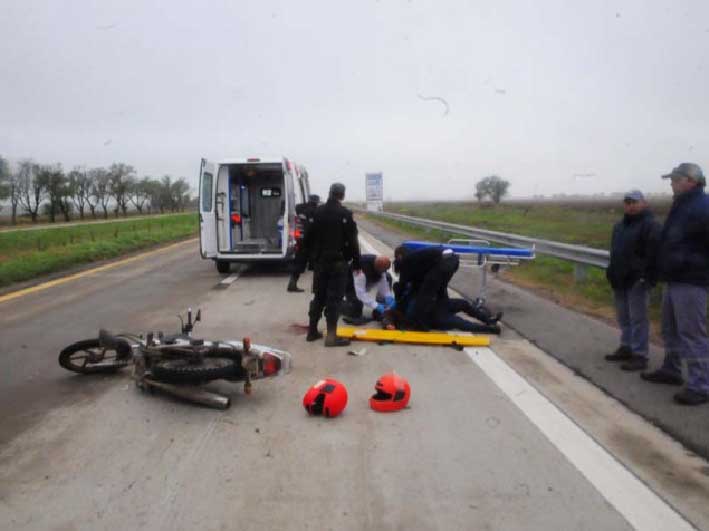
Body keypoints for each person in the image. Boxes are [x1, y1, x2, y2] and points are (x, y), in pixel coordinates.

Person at [641, 163, 709, 406]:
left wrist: (686, 262)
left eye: (675, 180)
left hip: (692, 279)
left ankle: (701, 385)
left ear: (690, 180)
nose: (671, 183)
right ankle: (672, 369)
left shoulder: (703, 206)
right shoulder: (682, 205)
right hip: (675, 278)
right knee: (671, 329)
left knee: (692, 333)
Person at [604, 190, 661, 371]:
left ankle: (640, 354)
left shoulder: (650, 225)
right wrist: (611, 270)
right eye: (627, 202)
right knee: (623, 317)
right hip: (619, 278)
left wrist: (646, 276)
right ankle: (626, 346)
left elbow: (653, 254)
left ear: (643, 203)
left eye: (634, 202)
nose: (630, 205)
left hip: (637, 279)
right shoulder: (619, 226)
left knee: (638, 318)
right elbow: (615, 251)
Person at [302, 183, 360, 347]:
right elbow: (353, 241)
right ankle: (331, 337)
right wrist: (357, 263)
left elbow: (307, 238)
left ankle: (312, 331)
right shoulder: (345, 214)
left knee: (318, 296)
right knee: (334, 299)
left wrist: (311, 258)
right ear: (342, 195)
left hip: (321, 263)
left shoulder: (317, 212)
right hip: (339, 263)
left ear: (329, 193)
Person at [343, 254, 394, 321]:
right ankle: (339, 305)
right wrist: (376, 305)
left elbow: (383, 282)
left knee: (388, 277)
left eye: (386, 269)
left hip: (366, 281)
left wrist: (388, 296)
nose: (384, 272)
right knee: (355, 312)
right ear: (377, 267)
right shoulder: (360, 270)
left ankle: (380, 311)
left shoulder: (379, 264)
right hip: (350, 285)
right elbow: (360, 294)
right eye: (383, 270)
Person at [287, 194, 320, 292]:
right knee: (316, 266)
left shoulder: (300, 209)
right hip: (313, 242)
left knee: (298, 264)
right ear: (316, 202)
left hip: (300, 241)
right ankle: (315, 288)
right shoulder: (316, 211)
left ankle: (292, 284)